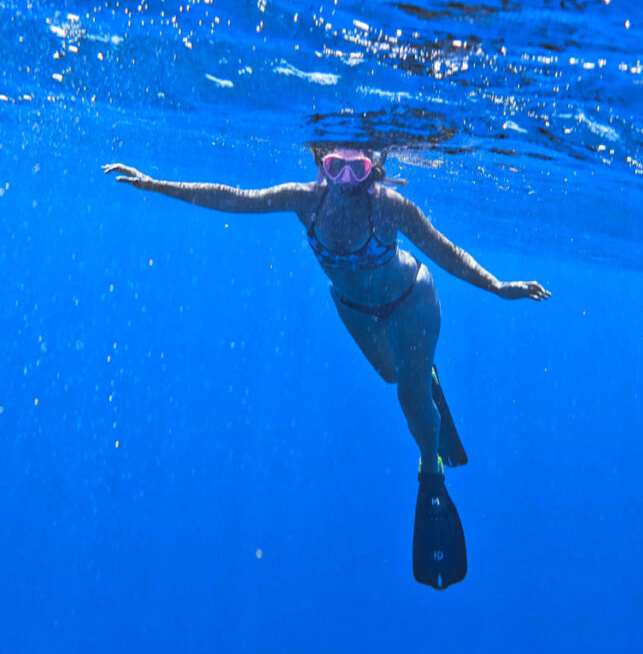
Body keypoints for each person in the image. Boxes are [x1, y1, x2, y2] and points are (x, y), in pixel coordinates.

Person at [103, 146, 550, 589]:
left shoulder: (390, 207)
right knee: (393, 374)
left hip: (412, 301)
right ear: (321, 165)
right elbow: (232, 197)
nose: (346, 183)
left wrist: (497, 287)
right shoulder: (303, 200)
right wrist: (154, 183)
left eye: (357, 170)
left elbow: (444, 250)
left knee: (410, 399)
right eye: (336, 168)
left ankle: (430, 470)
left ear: (373, 168)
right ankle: (424, 373)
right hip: (354, 308)